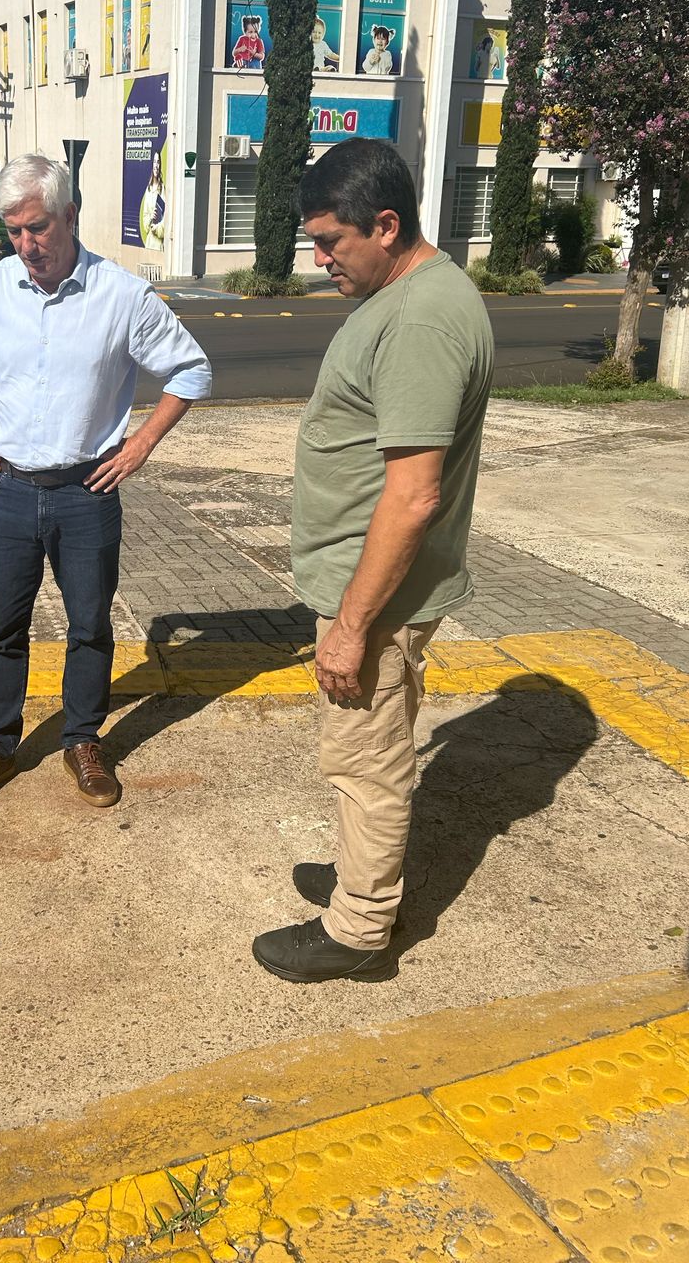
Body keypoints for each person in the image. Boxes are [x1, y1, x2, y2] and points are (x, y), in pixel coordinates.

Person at [252, 139, 493, 984]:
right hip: (371, 581)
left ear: (386, 226)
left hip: (378, 594)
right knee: (368, 753)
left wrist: (352, 625)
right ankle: (364, 878)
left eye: (331, 243)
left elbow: (415, 494)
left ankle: (358, 929)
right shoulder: (412, 293)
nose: (319, 262)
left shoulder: (422, 316)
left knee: (367, 759)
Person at [0, 153, 212, 813]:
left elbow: (190, 372)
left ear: (70, 216)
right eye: (14, 231)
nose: (26, 244)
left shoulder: (122, 296)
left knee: (89, 625)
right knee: (2, 628)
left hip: (87, 494)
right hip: (8, 491)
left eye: (38, 227)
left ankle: (82, 741)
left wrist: (140, 444)